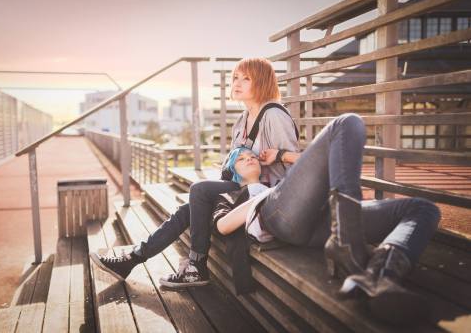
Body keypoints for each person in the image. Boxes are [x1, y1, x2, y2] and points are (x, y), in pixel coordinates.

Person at [89, 57, 299, 287]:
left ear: (262, 81)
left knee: (199, 190)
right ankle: (134, 259)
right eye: (235, 78)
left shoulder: (274, 115)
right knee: (188, 209)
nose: (237, 83)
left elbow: (297, 167)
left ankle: (194, 265)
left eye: (246, 78)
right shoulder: (242, 119)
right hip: (242, 189)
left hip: (267, 196)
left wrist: (279, 155)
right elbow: (234, 164)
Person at [216, 113, 441, 325]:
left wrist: (281, 156)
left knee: (423, 208)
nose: (249, 159)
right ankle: (347, 243)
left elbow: (334, 153)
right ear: (231, 171)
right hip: (276, 215)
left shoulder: (279, 182)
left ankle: (381, 274)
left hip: (321, 217)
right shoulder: (229, 193)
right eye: (241, 159)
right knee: (346, 122)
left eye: (252, 156)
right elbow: (223, 226)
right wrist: (267, 192)